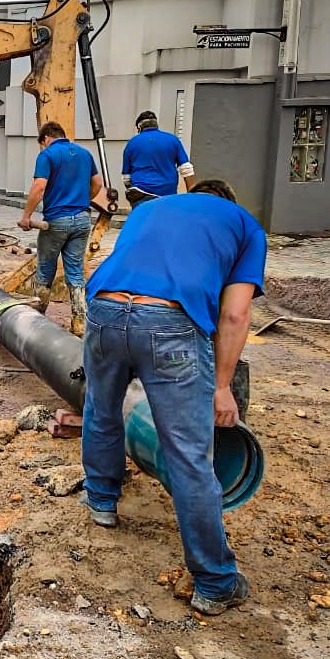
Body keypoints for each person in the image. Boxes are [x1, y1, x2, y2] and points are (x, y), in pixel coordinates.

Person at [78, 179, 266, 616]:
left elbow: (129, 265)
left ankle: (101, 501)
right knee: (187, 452)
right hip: (169, 326)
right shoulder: (245, 226)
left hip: (104, 310)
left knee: (101, 411)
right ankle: (216, 581)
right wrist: (221, 387)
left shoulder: (149, 210)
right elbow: (235, 313)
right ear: (228, 203)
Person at [19, 120, 102, 336]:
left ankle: (36, 321)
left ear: (46, 138)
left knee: (45, 271)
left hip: (56, 221)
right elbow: (98, 184)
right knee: (75, 273)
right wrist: (83, 201)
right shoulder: (85, 154)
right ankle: (80, 323)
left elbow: (39, 186)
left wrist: (26, 216)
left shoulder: (47, 155)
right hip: (83, 221)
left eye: (42, 143)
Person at [122, 110, 195, 207]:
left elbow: (126, 177)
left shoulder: (132, 143)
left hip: (140, 193)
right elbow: (186, 168)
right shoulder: (173, 140)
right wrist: (192, 194)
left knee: (143, 221)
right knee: (166, 221)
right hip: (167, 193)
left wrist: (130, 189)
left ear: (139, 127)